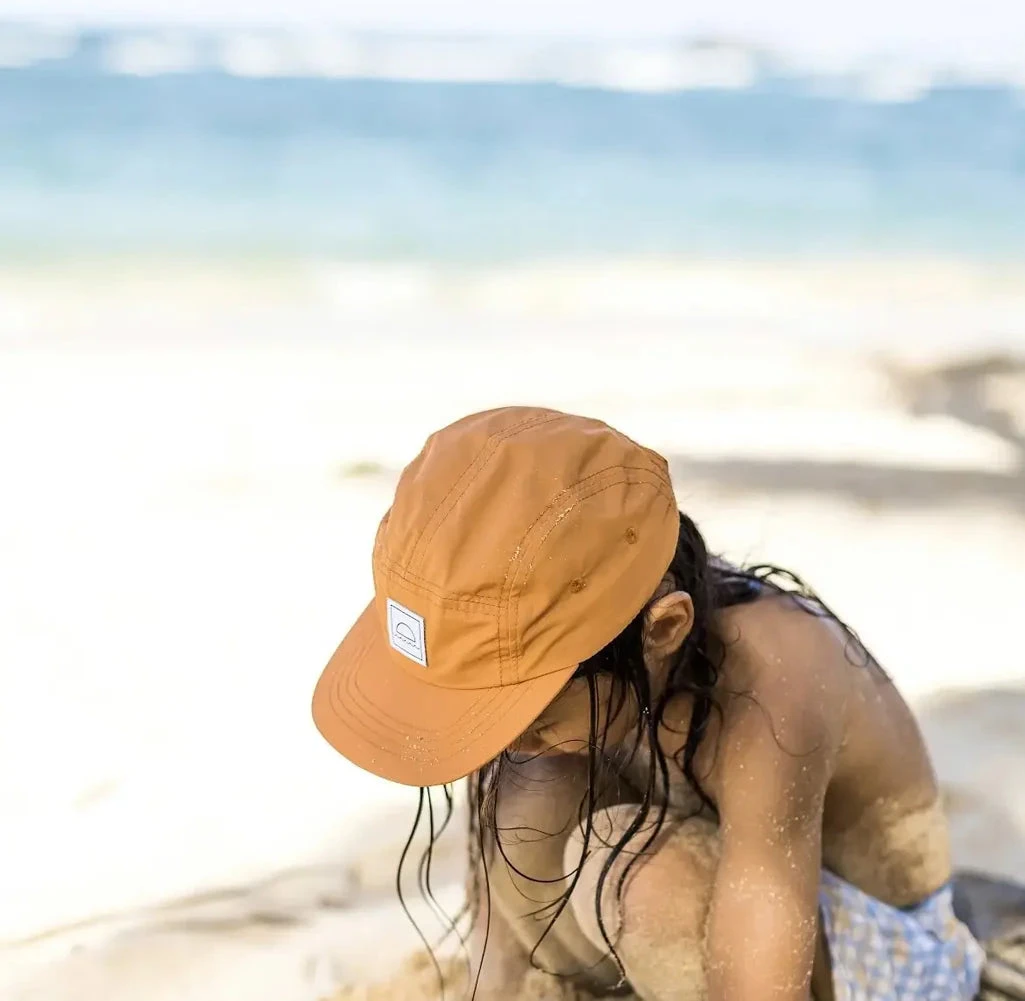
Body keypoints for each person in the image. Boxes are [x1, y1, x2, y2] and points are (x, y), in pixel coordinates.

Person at [312, 406, 984, 1001]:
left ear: (663, 629)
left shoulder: (777, 680)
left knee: (633, 870)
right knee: (523, 781)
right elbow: (497, 920)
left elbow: (764, 938)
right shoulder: (603, 655)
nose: (514, 736)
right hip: (691, 898)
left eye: (532, 714)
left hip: (875, 952)